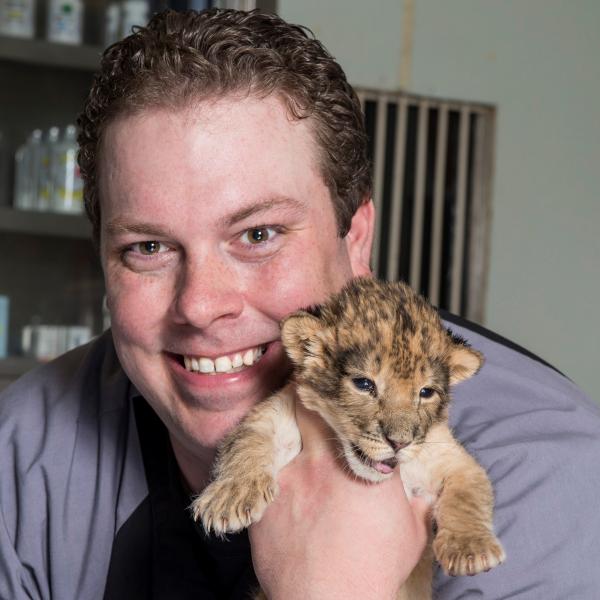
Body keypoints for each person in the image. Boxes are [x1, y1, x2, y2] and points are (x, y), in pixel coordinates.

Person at [1, 8, 599, 600]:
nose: (202, 306)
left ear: (356, 238)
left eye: (258, 234)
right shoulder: (24, 453)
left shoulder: (551, 487)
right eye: (149, 247)